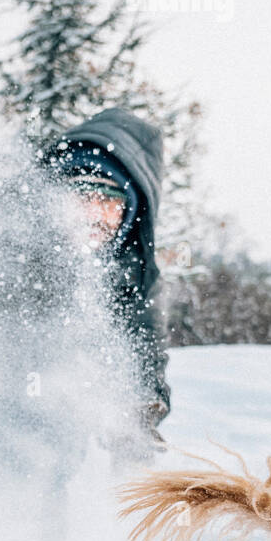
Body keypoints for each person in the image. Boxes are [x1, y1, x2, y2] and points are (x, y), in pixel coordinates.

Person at [44, 109, 170, 454]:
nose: (95, 212)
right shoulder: (12, 248)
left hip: (67, 442)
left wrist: (141, 409)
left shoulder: (135, 271)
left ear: (131, 208)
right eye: (83, 195)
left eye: (111, 199)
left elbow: (145, 350)